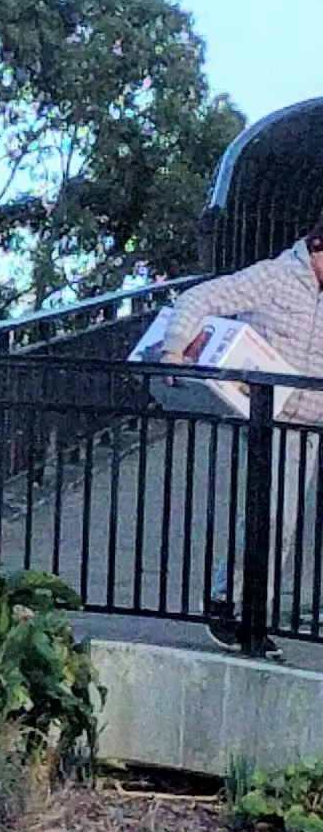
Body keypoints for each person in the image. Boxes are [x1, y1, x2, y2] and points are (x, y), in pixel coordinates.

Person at [160, 218, 323, 647]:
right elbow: (200, 297)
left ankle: (245, 610)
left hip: (308, 425)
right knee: (270, 516)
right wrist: (173, 350)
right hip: (267, 420)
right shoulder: (274, 277)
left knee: (280, 523)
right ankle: (233, 606)